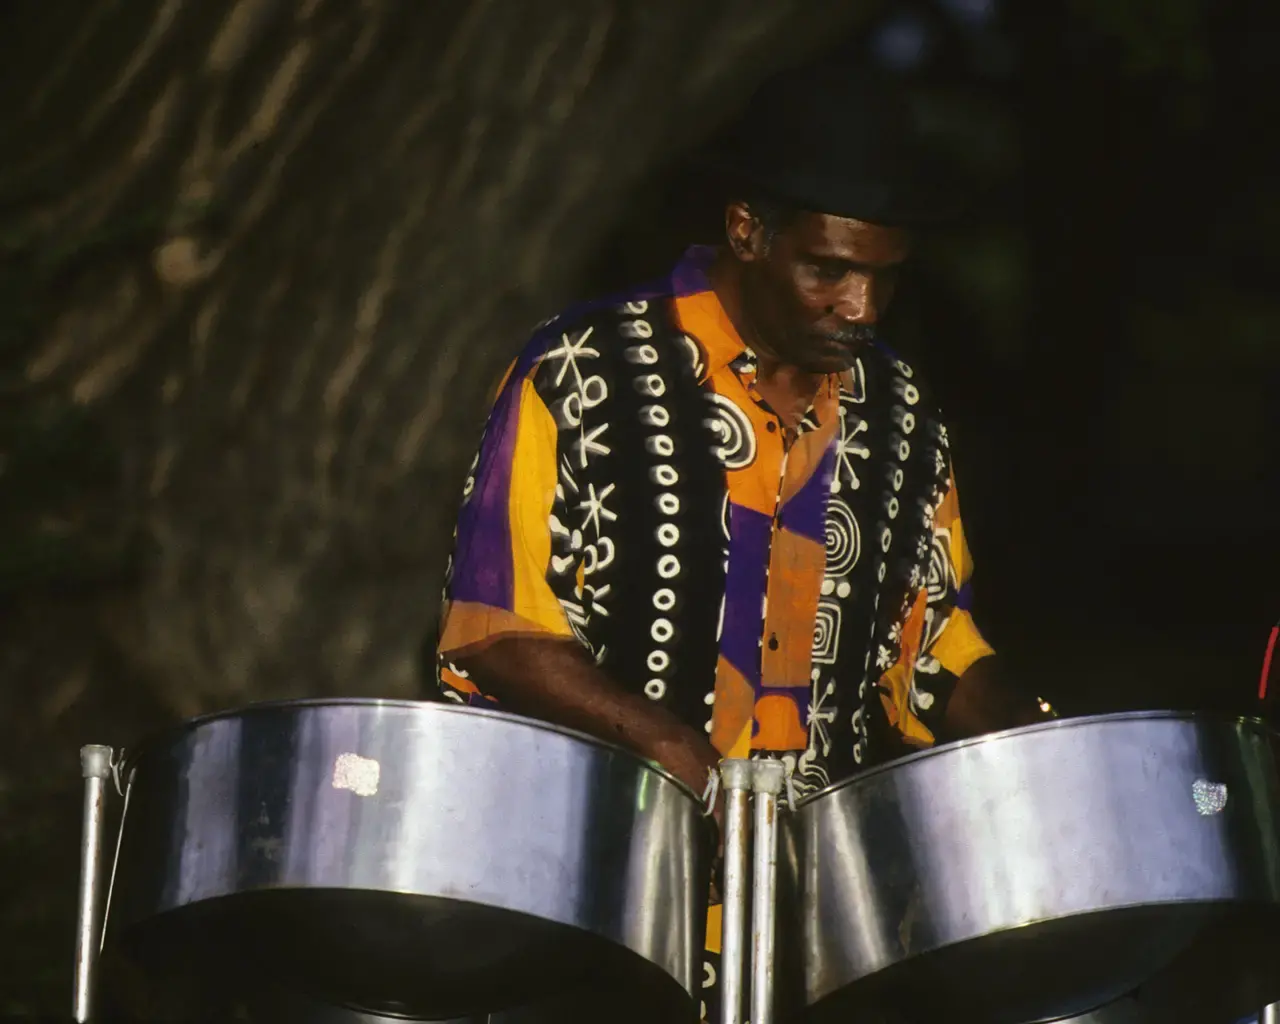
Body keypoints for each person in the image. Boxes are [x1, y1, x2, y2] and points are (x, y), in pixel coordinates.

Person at [434, 59, 1052, 1024]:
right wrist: (669, 745)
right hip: (600, 910)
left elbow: (930, 649)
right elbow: (496, 628)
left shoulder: (903, 415)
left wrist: (1042, 736)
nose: (862, 308)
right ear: (747, 231)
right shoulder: (582, 373)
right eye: (830, 270)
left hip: (825, 932)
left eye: (884, 278)